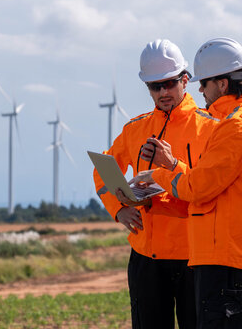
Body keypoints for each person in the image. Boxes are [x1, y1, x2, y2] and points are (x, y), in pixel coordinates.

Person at [130, 37, 242, 329]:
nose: (200, 90)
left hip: (226, 260)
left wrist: (156, 175)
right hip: (221, 257)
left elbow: (198, 188)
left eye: (204, 83)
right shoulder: (237, 123)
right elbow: (208, 187)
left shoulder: (236, 127)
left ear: (222, 84)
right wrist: (172, 167)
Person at [93, 39, 218, 328]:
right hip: (146, 258)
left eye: (169, 83)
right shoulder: (135, 128)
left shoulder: (211, 127)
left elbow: (209, 184)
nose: (163, 92)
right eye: (154, 86)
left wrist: (172, 167)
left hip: (195, 255)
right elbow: (104, 170)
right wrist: (118, 209)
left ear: (185, 80)